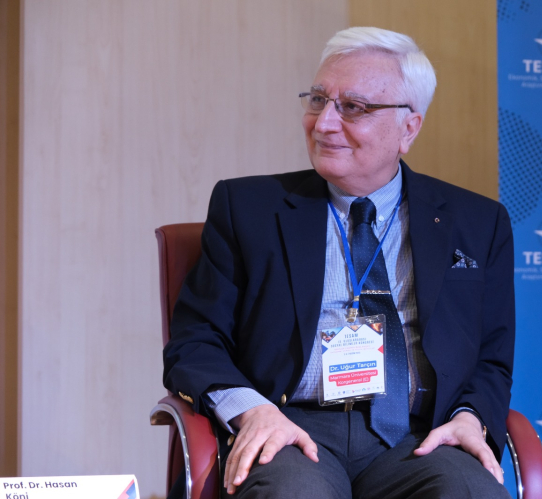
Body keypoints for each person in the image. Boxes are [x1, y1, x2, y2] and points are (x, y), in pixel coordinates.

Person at [163, 26, 515, 499]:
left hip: (419, 437)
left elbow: (492, 357)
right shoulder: (247, 208)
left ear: (409, 128)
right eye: (318, 100)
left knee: (471, 492)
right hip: (290, 429)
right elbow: (195, 342)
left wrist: (470, 418)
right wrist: (252, 411)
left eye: (353, 107)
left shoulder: (477, 222)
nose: (324, 123)